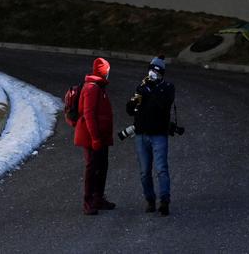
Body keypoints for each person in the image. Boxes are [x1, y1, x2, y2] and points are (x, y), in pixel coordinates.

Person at [125, 56, 176, 216]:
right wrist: (136, 98)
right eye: (151, 69)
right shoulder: (142, 86)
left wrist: (150, 91)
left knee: (161, 168)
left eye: (155, 70)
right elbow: (129, 110)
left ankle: (165, 200)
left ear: (161, 73)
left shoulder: (167, 88)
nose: (152, 73)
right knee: (144, 171)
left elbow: (163, 106)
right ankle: (150, 199)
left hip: (159, 134)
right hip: (141, 134)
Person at [74, 57, 116, 215]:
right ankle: (88, 201)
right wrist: (95, 138)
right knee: (92, 168)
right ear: (103, 72)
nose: (108, 74)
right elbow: (88, 114)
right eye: (107, 71)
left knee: (102, 166)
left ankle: (98, 198)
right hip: (93, 137)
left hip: (100, 136)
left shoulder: (98, 87)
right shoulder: (92, 88)